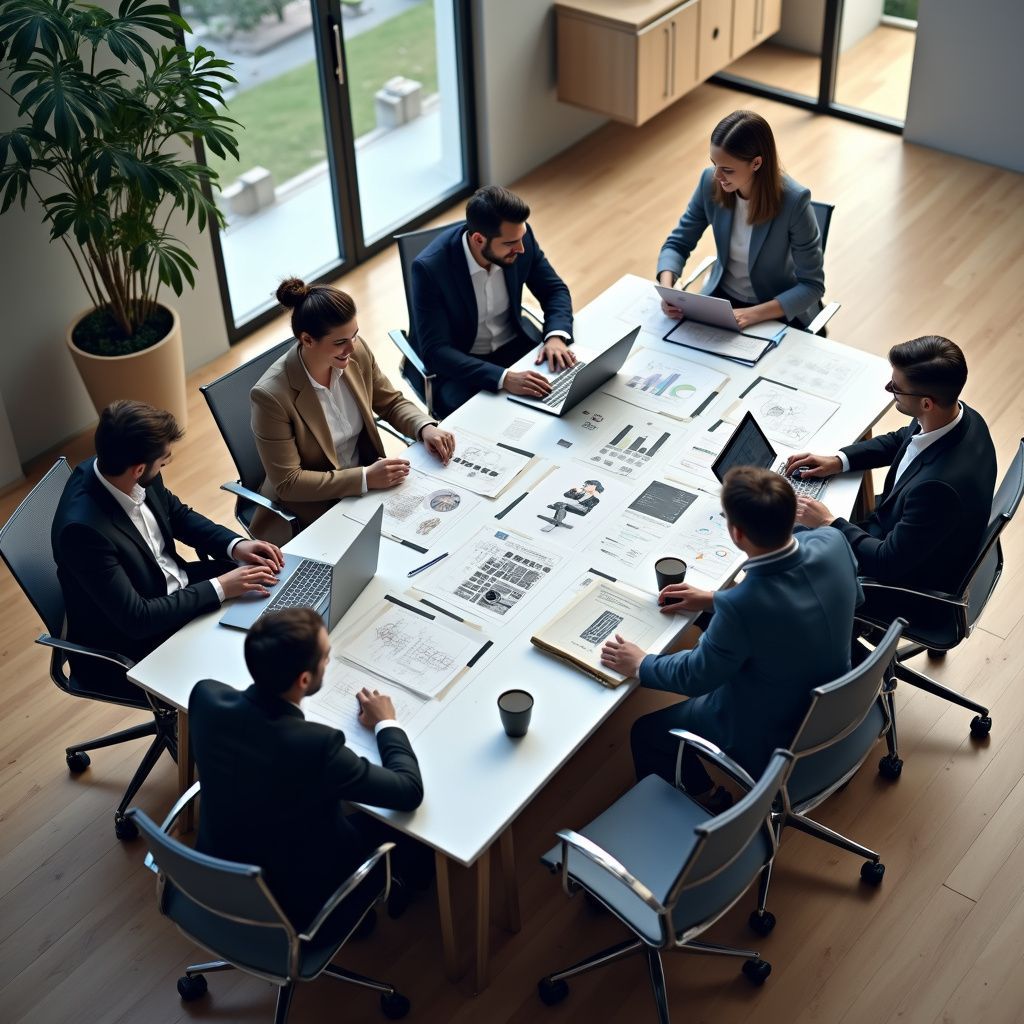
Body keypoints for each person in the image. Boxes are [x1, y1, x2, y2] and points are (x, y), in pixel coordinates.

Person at [600, 466, 860, 801]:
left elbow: (696, 676)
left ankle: (706, 797)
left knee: (647, 731)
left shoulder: (743, 607)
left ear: (736, 534)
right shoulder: (833, 540)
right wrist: (713, 599)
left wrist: (641, 664)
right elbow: (829, 599)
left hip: (770, 727)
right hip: (832, 699)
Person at [189, 608, 424, 934]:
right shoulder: (317, 746)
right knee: (413, 834)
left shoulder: (206, 697)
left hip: (216, 873)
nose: (328, 660)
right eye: (326, 657)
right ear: (304, 679)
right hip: (299, 903)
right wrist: (387, 722)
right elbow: (409, 790)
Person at [51, 400, 283, 696]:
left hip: (175, 589)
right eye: (163, 462)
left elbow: (176, 514)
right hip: (134, 644)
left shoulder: (120, 468)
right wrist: (221, 587)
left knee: (271, 586)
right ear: (138, 470)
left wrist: (235, 545)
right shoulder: (83, 532)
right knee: (246, 666)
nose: (164, 467)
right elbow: (137, 620)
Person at [786, 335, 996, 625]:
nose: (889, 389)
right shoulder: (958, 415)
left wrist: (828, 523)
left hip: (906, 585)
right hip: (922, 541)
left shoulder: (938, 489)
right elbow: (902, 439)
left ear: (926, 402)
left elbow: (886, 563)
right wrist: (838, 460)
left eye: (896, 388)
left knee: (788, 543)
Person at [250, 279, 456, 544]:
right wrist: (365, 478)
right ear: (307, 340)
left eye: (355, 335)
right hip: (312, 508)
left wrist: (425, 427)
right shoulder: (271, 396)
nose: (352, 347)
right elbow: (289, 482)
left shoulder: (354, 353)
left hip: (368, 487)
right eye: (340, 342)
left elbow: (390, 401)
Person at [411, 185, 575, 418]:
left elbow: (554, 289)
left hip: (514, 343)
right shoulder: (430, 269)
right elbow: (436, 351)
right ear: (479, 239)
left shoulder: (518, 239)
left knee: (565, 391)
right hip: (462, 365)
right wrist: (503, 378)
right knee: (493, 422)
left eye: (522, 237)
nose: (520, 248)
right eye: (510, 244)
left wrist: (555, 337)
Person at [657, 109, 825, 330]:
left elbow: (812, 285)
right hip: (723, 300)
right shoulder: (710, 181)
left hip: (774, 308)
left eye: (727, 169)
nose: (717, 175)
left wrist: (752, 315)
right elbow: (678, 243)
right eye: (714, 163)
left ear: (756, 163)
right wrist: (669, 290)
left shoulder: (795, 202)